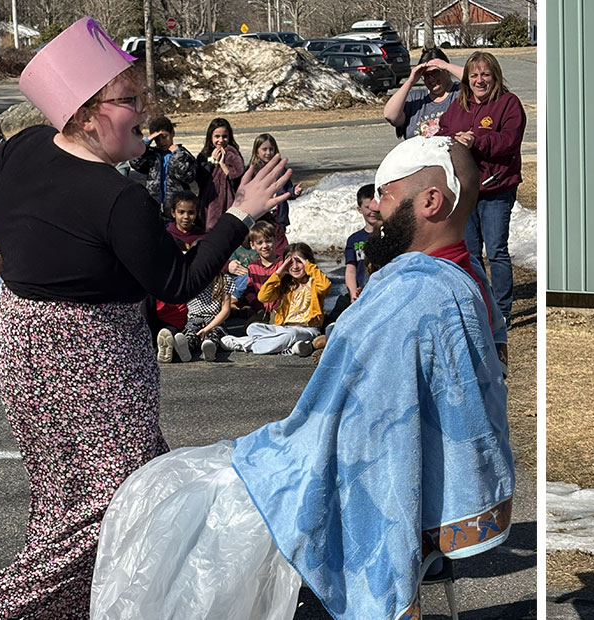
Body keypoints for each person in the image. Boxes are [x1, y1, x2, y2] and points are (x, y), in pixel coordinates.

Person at [0, 17, 294, 618]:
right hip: (94, 352)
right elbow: (177, 281)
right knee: (114, 500)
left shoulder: (24, 147)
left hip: (22, 339)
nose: (143, 109)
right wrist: (238, 213)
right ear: (85, 113)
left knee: (70, 494)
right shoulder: (118, 196)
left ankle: (98, 605)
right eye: (128, 99)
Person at [89, 135, 512, 620]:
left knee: (166, 497)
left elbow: (343, 418)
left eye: (387, 196)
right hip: (377, 457)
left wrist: (283, 449)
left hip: (354, 469)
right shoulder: (462, 278)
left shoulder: (413, 293)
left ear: (431, 202)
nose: (374, 208)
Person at [436, 51, 520, 354]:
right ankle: (476, 308)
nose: (479, 80)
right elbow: (442, 135)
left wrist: (477, 142)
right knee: (470, 252)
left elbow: (509, 141)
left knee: (496, 250)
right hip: (466, 190)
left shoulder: (508, 104)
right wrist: (448, 140)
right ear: (467, 79)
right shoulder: (457, 106)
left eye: (485, 74)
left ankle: (503, 310)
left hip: (496, 189)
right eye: (474, 75)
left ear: (494, 75)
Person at [221, 242, 328, 357]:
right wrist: (279, 272)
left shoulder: (315, 283)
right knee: (253, 327)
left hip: (307, 330)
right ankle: (293, 347)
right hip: (282, 328)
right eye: (290, 263)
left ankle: (244, 344)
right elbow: (263, 296)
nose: (295, 266)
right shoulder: (286, 284)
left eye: (299, 262)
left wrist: (308, 265)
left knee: (291, 334)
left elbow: (325, 286)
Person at [382, 47, 464, 139]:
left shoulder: (460, 94)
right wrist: (410, 81)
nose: (431, 78)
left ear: (446, 71)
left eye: (435, 72)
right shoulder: (415, 98)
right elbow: (390, 116)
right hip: (417, 152)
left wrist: (447, 66)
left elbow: (475, 81)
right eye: (425, 75)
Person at [126, 114, 198, 209]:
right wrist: (146, 142)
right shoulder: (152, 155)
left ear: (172, 133)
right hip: (154, 205)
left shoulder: (183, 154)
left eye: (164, 137)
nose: (161, 142)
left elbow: (188, 176)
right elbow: (135, 162)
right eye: (157, 139)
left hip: (176, 208)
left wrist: (177, 154)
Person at [196, 117, 245, 229]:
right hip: (209, 202)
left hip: (231, 202)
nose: (221, 140)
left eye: (224, 136)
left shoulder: (233, 155)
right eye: (217, 136)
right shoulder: (203, 156)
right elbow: (200, 180)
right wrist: (212, 161)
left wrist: (223, 165)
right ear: (210, 137)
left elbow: (238, 179)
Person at [341, 184, 379, 305]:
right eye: (367, 207)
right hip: (361, 292)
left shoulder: (389, 235)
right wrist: (353, 294)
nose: (372, 211)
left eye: (375, 206)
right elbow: (351, 270)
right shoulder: (354, 239)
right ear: (360, 209)